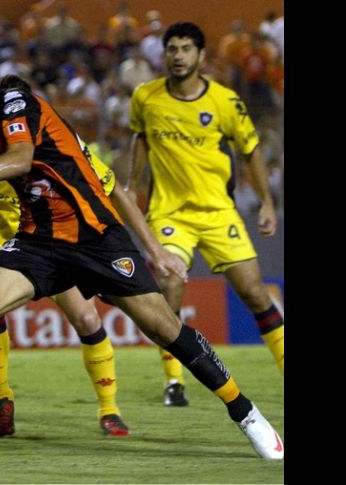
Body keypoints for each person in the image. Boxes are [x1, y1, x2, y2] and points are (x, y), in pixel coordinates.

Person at [0, 61, 283, 460]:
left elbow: (21, 158)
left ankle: (247, 413)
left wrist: (153, 250)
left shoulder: (16, 102)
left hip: (96, 238)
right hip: (39, 241)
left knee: (165, 328)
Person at [0, 74, 188, 439]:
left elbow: (111, 190)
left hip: (59, 236)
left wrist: (153, 249)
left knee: (86, 316)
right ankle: (2, 397)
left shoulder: (64, 147)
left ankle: (109, 409)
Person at [126, 21, 284, 408]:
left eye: (185, 49)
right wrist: (131, 185)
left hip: (218, 212)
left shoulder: (225, 102)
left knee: (254, 293)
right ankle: (174, 382)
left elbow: (250, 151)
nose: (177, 56)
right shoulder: (146, 97)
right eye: (172, 49)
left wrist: (266, 202)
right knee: (170, 289)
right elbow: (140, 139)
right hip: (170, 213)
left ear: (200, 56)